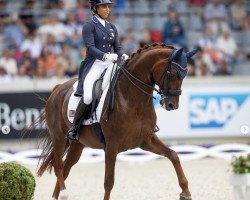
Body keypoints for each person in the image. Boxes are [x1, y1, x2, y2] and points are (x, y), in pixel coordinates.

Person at [66, 0, 129, 141]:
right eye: (104, 6)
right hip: (95, 63)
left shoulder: (112, 27)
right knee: (88, 96)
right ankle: (74, 128)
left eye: (108, 7)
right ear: (95, 8)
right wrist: (105, 55)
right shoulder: (89, 26)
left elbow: (117, 48)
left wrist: (122, 55)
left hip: (111, 63)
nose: (107, 9)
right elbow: (91, 48)